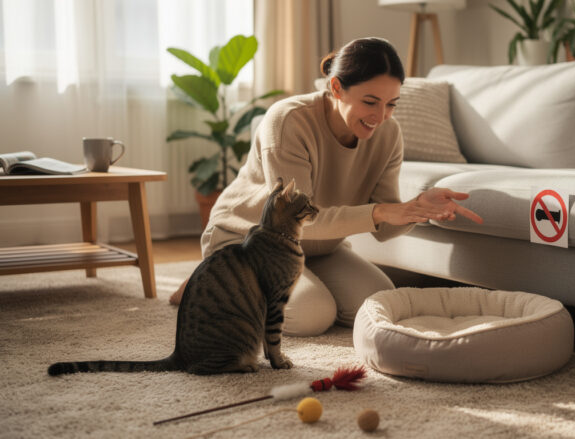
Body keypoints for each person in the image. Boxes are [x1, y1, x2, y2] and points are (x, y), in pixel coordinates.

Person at [169, 37, 482, 336]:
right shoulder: (289, 120)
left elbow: (383, 228)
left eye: (391, 104)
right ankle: (215, 281)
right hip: (250, 241)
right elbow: (293, 221)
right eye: (370, 102)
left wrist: (417, 209)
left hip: (320, 248)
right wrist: (382, 211)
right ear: (337, 88)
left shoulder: (389, 134)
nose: (381, 116)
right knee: (311, 315)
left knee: (379, 302)